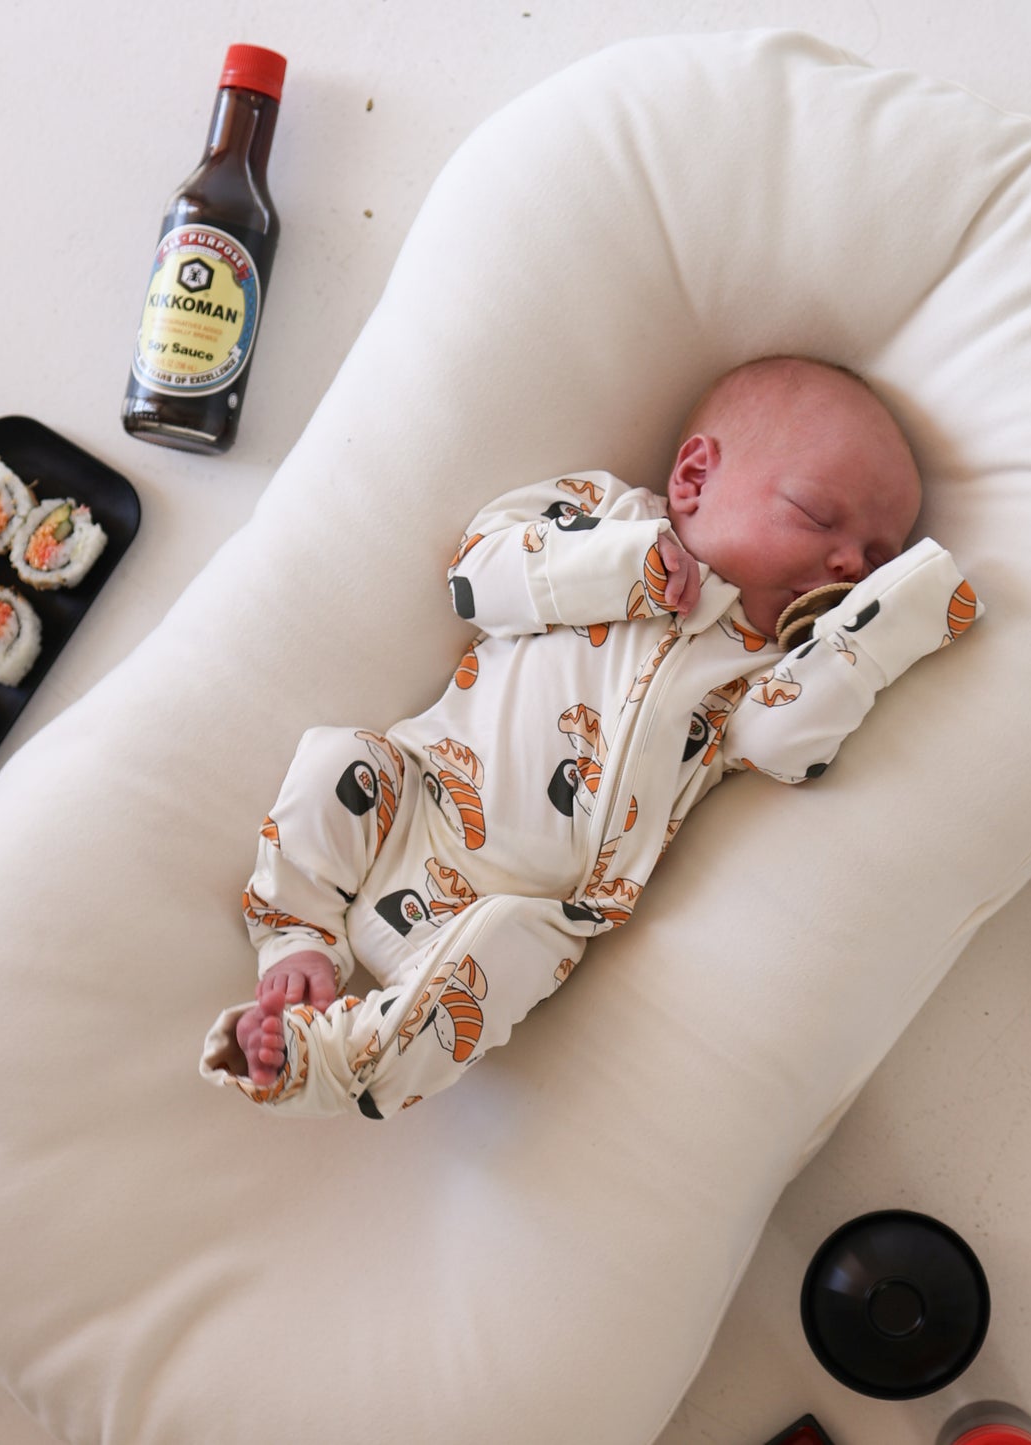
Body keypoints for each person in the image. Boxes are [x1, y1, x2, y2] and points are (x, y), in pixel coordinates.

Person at [200, 356, 981, 1117]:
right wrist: (622, 568)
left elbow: (787, 745)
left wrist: (883, 626)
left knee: (506, 954)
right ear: (695, 479)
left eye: (871, 561)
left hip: (534, 905)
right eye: (817, 515)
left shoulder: (765, 662)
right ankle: (296, 936)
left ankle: (331, 1061)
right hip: (416, 798)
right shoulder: (609, 516)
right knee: (337, 757)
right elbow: (477, 577)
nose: (845, 560)